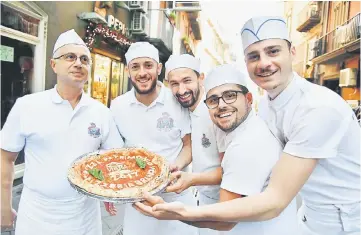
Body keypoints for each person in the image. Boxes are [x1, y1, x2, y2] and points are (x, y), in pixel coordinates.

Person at [133, 16, 361, 235]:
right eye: (254, 56)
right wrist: (193, 180)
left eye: (273, 51)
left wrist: (183, 213)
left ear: (292, 52)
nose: (264, 63)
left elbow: (274, 200)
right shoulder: (267, 105)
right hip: (307, 215)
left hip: (347, 223)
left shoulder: (317, 109)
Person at [135, 64, 298, 234]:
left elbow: (225, 221)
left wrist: (172, 213)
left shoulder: (245, 145)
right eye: (213, 100)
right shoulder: (243, 129)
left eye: (230, 96)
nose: (221, 105)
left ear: (249, 99)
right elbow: (230, 171)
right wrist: (191, 179)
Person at [0, 29, 124, 235]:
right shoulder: (28, 106)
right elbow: (5, 158)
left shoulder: (101, 112)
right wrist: (3, 205)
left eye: (85, 59)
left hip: (85, 217)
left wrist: (109, 192)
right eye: (70, 57)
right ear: (53, 64)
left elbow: (114, 158)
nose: (78, 63)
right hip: (37, 216)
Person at [110, 42, 197, 235]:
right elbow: (115, 152)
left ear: (159, 68)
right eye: (135, 66)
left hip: (176, 195)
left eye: (148, 65)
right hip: (138, 200)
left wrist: (174, 166)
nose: (142, 72)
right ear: (127, 71)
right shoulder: (117, 106)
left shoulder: (176, 100)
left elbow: (189, 146)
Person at [164, 54, 223, 235]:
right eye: (174, 83)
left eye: (187, 81)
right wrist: (175, 167)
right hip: (202, 201)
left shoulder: (217, 113)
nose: (181, 90)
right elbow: (191, 147)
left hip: (225, 204)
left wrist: (192, 180)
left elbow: (232, 170)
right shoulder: (186, 112)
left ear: (201, 78)